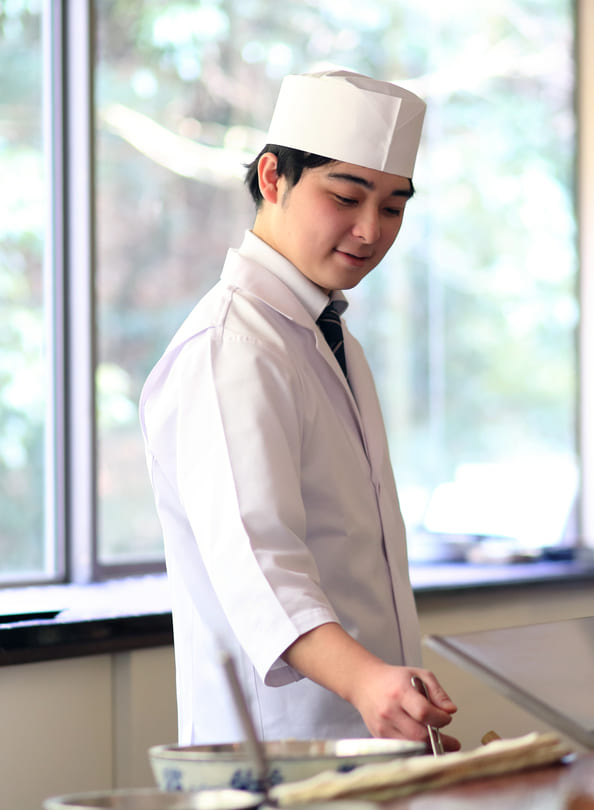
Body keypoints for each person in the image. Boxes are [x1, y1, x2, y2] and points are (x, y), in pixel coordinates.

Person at [139, 69, 459, 750]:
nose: (369, 231)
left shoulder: (330, 338)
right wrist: (369, 683)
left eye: (394, 207)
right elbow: (259, 563)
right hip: (276, 755)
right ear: (273, 177)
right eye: (345, 197)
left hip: (370, 742)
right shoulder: (232, 347)